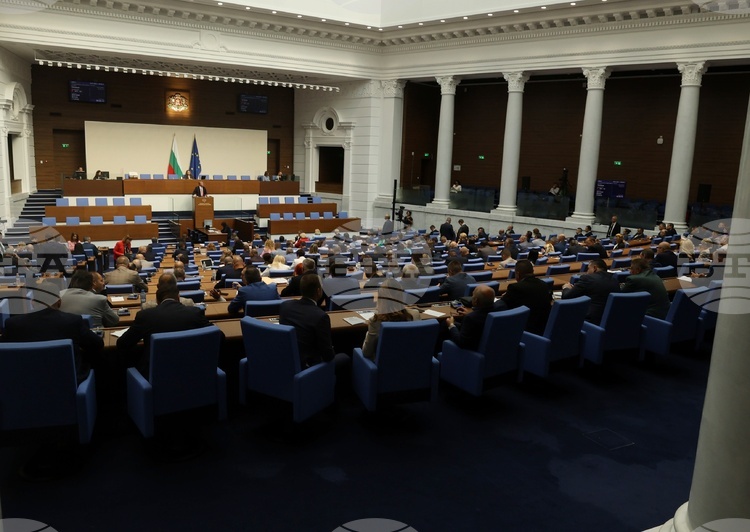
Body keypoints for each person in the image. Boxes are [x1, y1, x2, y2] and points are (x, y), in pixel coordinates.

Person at [2, 281, 104, 384]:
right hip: (66, 382)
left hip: (23, 383)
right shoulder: (72, 321)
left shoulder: (13, 324)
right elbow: (98, 344)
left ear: (32, 302)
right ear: (59, 302)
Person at [116, 274, 214, 371]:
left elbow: (122, 343)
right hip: (193, 371)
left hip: (155, 374)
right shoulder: (195, 312)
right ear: (178, 298)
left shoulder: (145, 315)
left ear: (157, 302)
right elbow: (216, 333)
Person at [279, 274, 336, 368]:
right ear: (319, 291)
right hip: (309, 367)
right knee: (345, 357)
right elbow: (328, 356)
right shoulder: (321, 316)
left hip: (286, 360)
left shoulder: (285, 306)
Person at [361, 279, 421, 359]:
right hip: (412, 362)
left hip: (384, 364)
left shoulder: (375, 321)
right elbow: (419, 346)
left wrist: (368, 332)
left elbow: (366, 353)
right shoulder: (415, 315)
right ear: (401, 296)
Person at [446, 284, 504, 351]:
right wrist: (471, 313)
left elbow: (461, 343)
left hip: (472, 352)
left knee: (445, 324)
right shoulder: (500, 308)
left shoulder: (471, 318)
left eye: (473, 295)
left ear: (476, 300)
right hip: (493, 347)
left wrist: (451, 325)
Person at [561, 259, 620, 324]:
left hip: (590, 321)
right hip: (610, 321)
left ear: (595, 268)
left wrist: (566, 288)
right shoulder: (615, 281)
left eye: (588, 269)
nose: (587, 272)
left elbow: (566, 297)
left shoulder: (588, 279)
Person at [502, 259, 551, 335]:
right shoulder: (544, 285)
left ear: (517, 274)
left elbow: (502, 304)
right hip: (542, 329)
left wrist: (505, 296)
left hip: (523, 331)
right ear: (533, 271)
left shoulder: (515, 288)